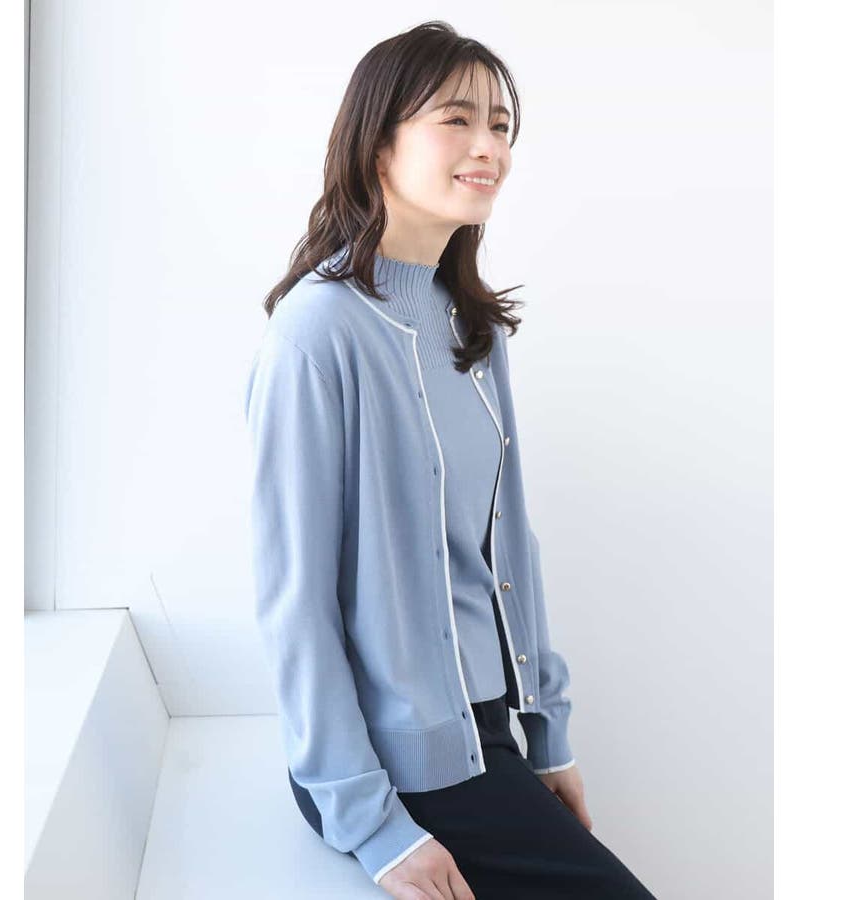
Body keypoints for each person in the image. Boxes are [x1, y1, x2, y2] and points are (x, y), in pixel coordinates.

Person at [245, 20, 657, 900]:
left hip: (489, 731)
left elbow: (510, 548)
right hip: (392, 763)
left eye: (501, 125)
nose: (488, 147)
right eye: (456, 120)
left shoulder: (469, 323)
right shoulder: (317, 334)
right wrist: (375, 828)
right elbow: (295, 600)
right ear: (378, 143)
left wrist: (548, 735)